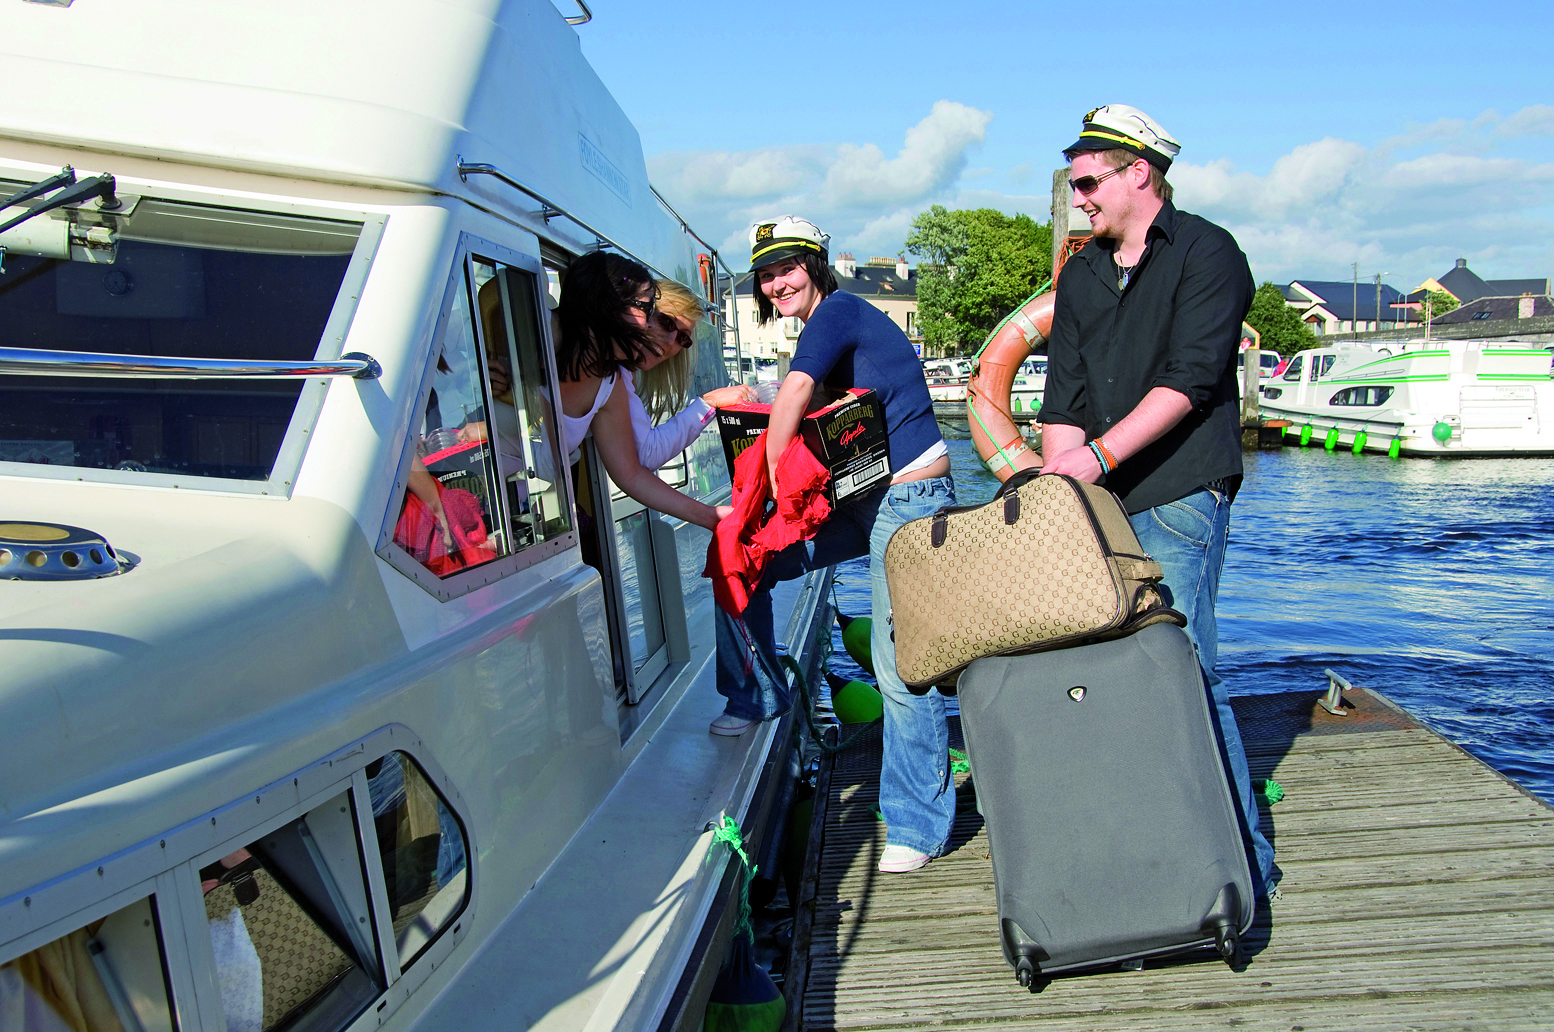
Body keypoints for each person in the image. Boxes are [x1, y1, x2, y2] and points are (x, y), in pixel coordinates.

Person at [1035, 104, 1278, 900]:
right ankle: (1153, 851)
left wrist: (1096, 459)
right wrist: (1060, 491)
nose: (1079, 199)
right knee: (1110, 675)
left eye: (1088, 183)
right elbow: (1064, 397)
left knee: (1182, 667)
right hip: (1099, 502)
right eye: (1074, 186)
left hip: (1180, 491)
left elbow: (1191, 379)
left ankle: (1243, 867)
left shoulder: (1209, 252)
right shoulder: (1081, 274)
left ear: (1139, 172)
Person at [713, 215, 957, 876]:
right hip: (862, 499)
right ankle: (756, 692)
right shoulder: (823, 330)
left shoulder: (839, 310)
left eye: (788, 267)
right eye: (766, 274)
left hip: (908, 500)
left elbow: (797, 391)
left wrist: (766, 480)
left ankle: (919, 824)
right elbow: (811, 400)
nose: (777, 282)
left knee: (899, 665)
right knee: (746, 560)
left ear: (816, 266)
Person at [629, 279, 755, 469]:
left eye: (683, 338)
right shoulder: (614, 372)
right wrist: (708, 403)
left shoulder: (625, 375)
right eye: (666, 322)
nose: (671, 341)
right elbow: (646, 454)